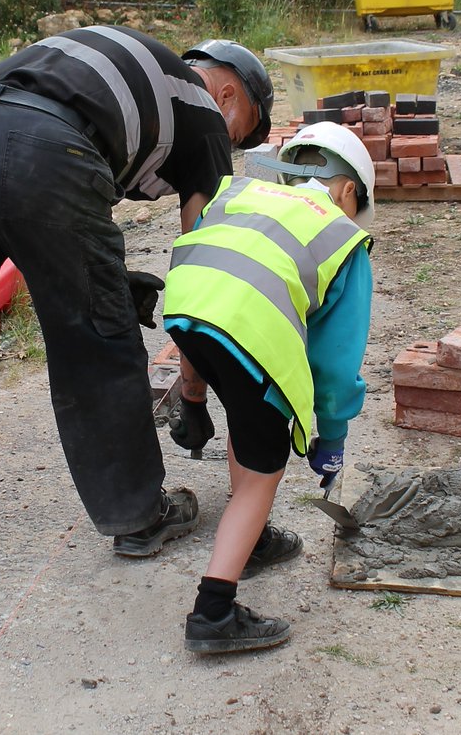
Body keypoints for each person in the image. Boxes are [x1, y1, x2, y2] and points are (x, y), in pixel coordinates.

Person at [0, 25, 274, 583]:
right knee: (98, 340)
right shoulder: (202, 111)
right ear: (229, 96)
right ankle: (139, 516)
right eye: (242, 134)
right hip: (43, 144)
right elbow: (201, 280)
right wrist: (195, 396)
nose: (230, 149)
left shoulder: (132, 74)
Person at [160, 121, 376, 653]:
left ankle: (251, 540)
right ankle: (214, 612)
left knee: (248, 415)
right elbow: (332, 362)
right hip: (247, 334)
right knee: (263, 472)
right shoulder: (343, 237)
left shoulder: (241, 192)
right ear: (349, 191)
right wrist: (332, 436)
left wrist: (192, 388)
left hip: (186, 310)